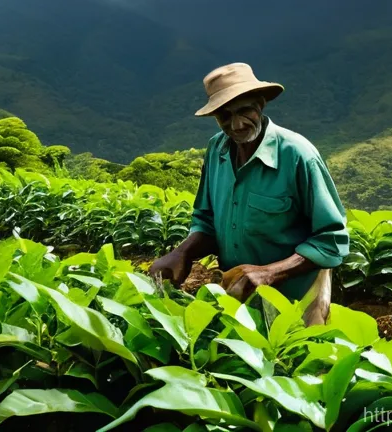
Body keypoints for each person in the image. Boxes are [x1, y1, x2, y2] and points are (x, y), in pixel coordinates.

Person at [148, 63, 349, 325]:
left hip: (295, 299)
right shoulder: (217, 150)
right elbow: (207, 220)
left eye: (244, 111)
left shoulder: (298, 156)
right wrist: (182, 252)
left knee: (296, 362)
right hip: (238, 294)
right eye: (224, 116)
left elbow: (331, 240)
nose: (237, 124)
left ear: (261, 104)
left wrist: (270, 273)